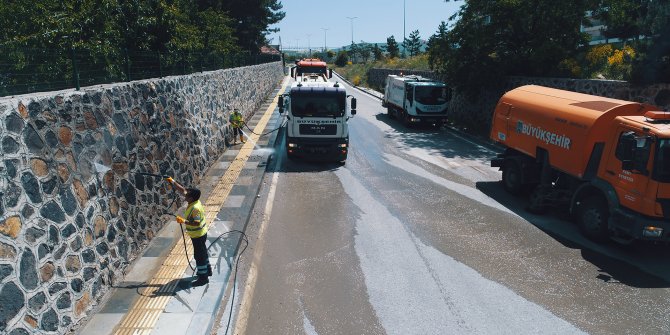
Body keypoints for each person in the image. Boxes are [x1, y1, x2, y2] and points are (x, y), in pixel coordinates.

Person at [166, 177, 212, 286]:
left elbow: (196, 223)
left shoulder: (195, 208)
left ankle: (203, 278)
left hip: (198, 235)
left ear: (191, 198)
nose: (185, 195)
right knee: (203, 253)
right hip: (199, 234)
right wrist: (172, 181)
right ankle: (208, 270)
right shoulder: (194, 201)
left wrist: (184, 221)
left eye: (187, 195)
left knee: (199, 256)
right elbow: (182, 190)